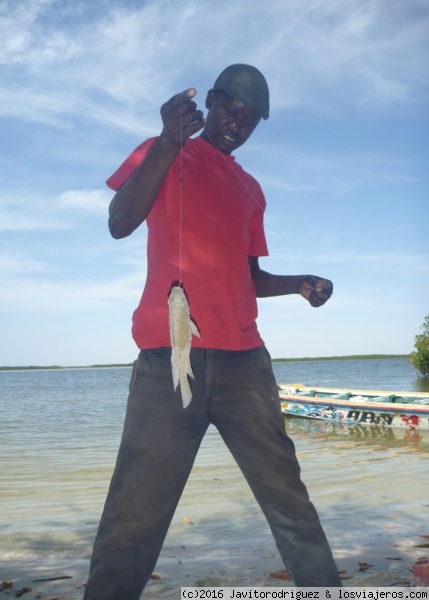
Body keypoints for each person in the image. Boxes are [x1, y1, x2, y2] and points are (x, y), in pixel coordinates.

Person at [84, 64, 341, 599]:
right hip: (168, 360)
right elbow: (119, 221)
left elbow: (248, 276)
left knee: (290, 503)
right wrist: (165, 142)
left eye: (248, 120)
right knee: (134, 516)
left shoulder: (251, 188)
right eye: (229, 110)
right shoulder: (166, 149)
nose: (235, 124)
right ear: (214, 102)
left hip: (246, 365)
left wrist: (299, 283)